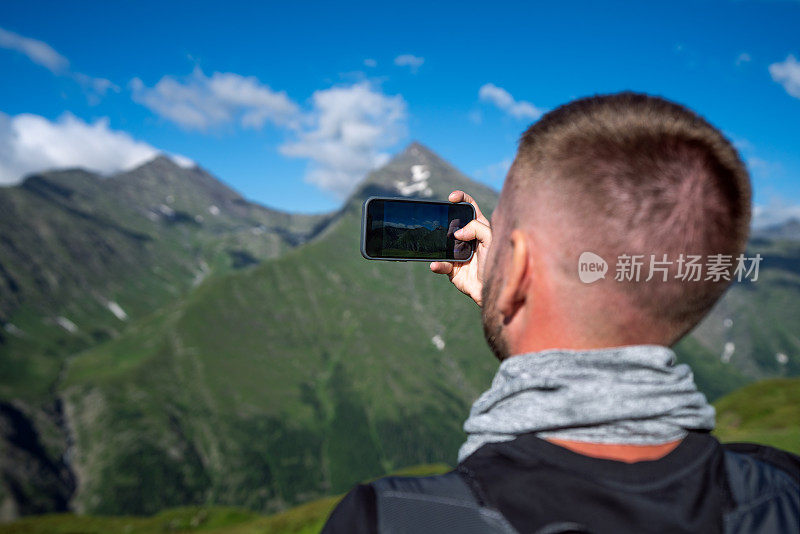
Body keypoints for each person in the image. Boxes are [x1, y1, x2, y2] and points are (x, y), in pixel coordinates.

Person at [321, 92, 799, 533]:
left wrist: (512, 294)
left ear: (522, 262)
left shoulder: (390, 518)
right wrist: (512, 292)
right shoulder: (781, 491)